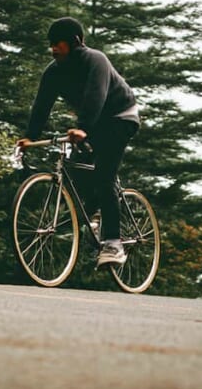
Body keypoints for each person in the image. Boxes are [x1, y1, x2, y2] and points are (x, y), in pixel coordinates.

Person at [16, 17, 140, 267]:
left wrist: (82, 127)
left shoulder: (95, 60)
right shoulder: (53, 72)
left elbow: (96, 95)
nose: (53, 49)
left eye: (58, 43)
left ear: (74, 42)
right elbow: (42, 105)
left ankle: (114, 243)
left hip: (120, 118)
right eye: (51, 44)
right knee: (77, 172)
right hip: (94, 125)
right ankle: (95, 213)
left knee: (104, 176)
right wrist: (30, 136)